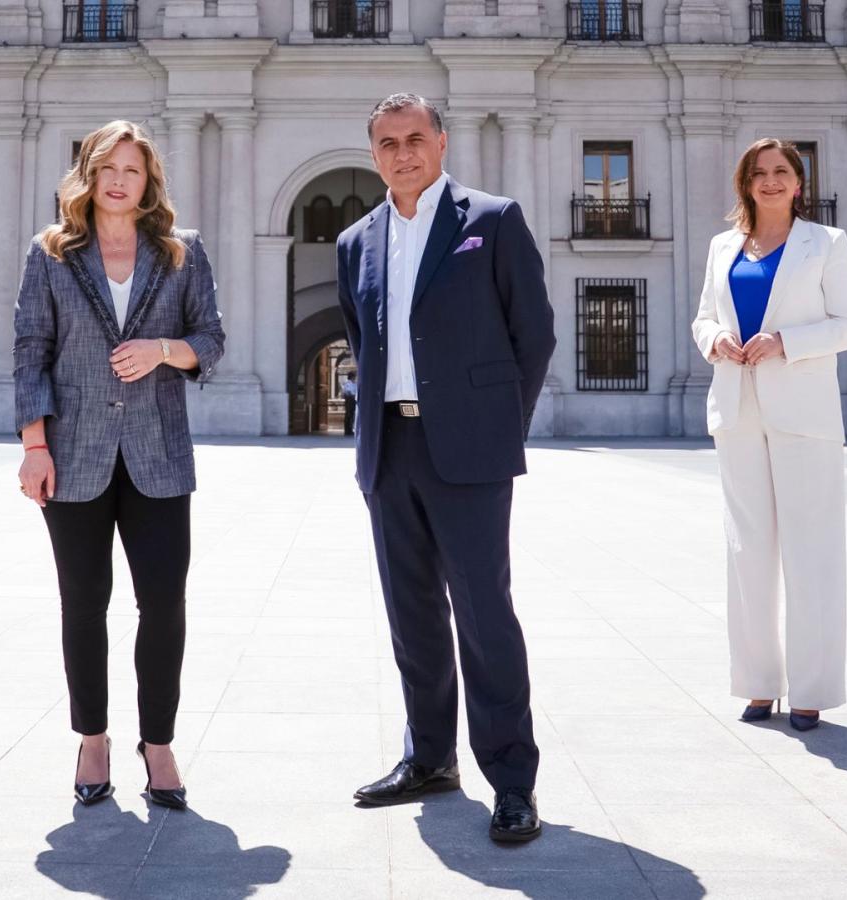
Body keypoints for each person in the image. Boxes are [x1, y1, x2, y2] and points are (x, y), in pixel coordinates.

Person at [336, 93, 556, 843]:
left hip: (469, 453)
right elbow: (362, 345)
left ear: (442, 142)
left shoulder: (491, 221)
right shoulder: (354, 242)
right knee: (413, 617)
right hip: (388, 450)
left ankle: (514, 783)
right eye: (389, 142)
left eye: (416, 138)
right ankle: (429, 757)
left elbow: (536, 335)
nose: (404, 152)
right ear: (374, 155)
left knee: (484, 616)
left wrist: (497, 430)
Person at [13, 120, 224, 811]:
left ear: (148, 181)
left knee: (163, 606)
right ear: (88, 174)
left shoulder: (181, 252)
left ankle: (157, 743)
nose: (118, 179)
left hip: (159, 453)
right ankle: (93, 738)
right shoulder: (50, 254)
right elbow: (30, 351)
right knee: (84, 605)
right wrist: (34, 447)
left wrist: (164, 349)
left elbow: (210, 341)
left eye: (132, 169)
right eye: (107, 166)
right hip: (72, 455)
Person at [691, 139, 847, 732]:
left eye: (781, 172)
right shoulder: (722, 246)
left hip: (804, 417)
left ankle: (812, 689)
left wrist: (788, 342)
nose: (770, 181)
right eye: (759, 173)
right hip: (737, 410)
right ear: (745, 183)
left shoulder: (826, 244)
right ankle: (759, 684)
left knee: (811, 553)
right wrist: (713, 339)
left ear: (799, 183)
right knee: (747, 553)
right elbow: (704, 316)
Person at [341, 371, 357, 435]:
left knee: (352, 415)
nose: (355, 377)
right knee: (348, 414)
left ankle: (350, 429)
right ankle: (347, 430)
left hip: (354, 400)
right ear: (352, 377)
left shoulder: (355, 384)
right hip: (349, 400)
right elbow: (347, 392)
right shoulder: (347, 384)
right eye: (354, 376)